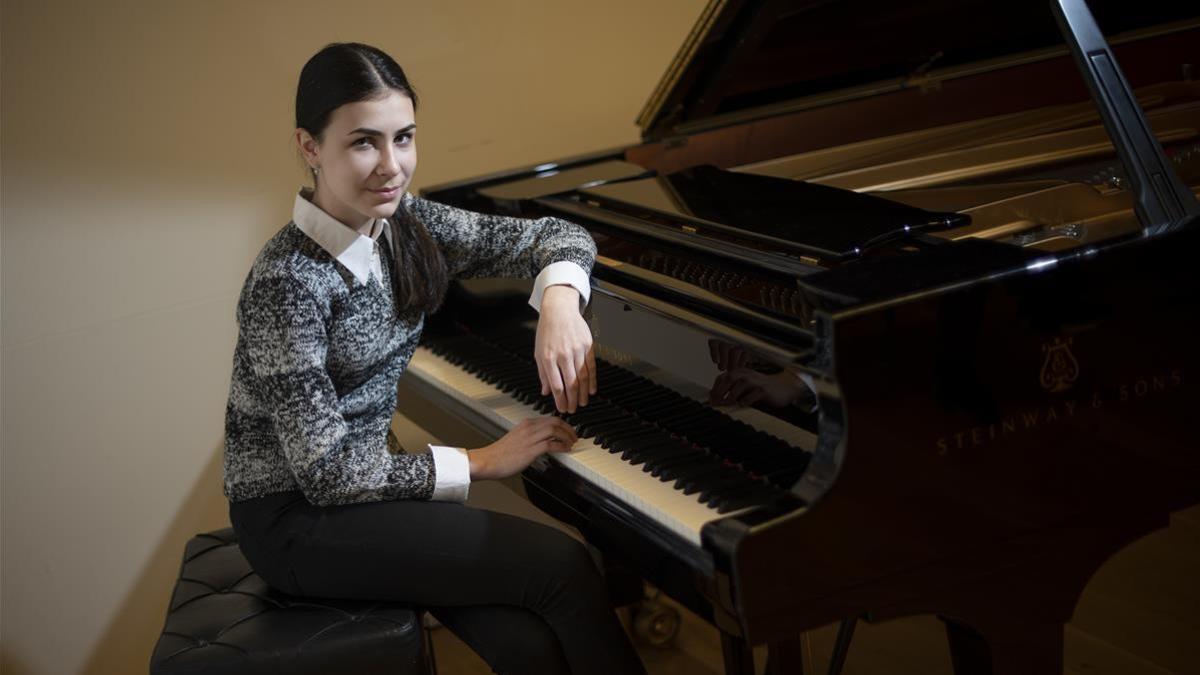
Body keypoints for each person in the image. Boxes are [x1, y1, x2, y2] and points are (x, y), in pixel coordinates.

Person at [222, 42, 646, 675]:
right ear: (310, 148)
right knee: (562, 563)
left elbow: (554, 234)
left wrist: (559, 302)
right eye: (364, 142)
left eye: (405, 138)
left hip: (363, 495)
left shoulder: (404, 223)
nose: (391, 166)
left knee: (527, 639)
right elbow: (326, 473)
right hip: (297, 521)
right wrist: (481, 462)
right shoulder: (287, 281)